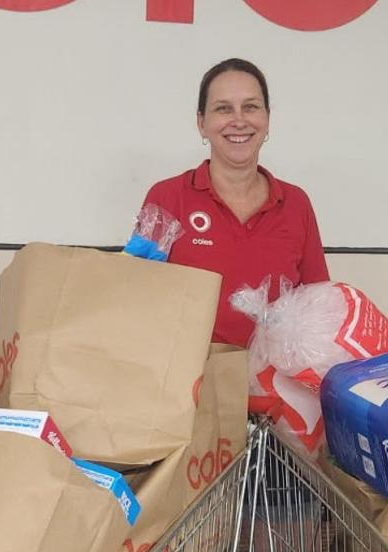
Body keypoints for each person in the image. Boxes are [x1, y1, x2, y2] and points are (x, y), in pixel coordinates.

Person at [139, 58, 330, 347]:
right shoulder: (166, 198)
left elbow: (318, 308)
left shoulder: (296, 203)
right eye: (223, 108)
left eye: (251, 107)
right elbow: (136, 299)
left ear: (267, 119)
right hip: (189, 384)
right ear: (202, 123)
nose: (239, 120)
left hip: (274, 384)